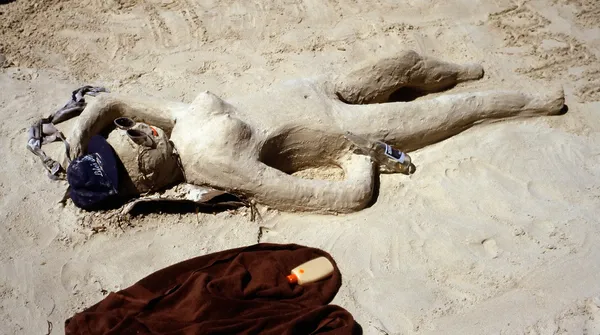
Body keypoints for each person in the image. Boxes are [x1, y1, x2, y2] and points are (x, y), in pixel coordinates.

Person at [63, 50, 565, 213]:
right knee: (463, 110)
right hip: (342, 127)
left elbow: (113, 99)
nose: (134, 130)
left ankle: (455, 69)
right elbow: (303, 194)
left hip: (320, 87)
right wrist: (358, 174)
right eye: (131, 143)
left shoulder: (178, 123)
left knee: (405, 63)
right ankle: (532, 103)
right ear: (147, 173)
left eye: (124, 132)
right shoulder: (209, 161)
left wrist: (81, 132)